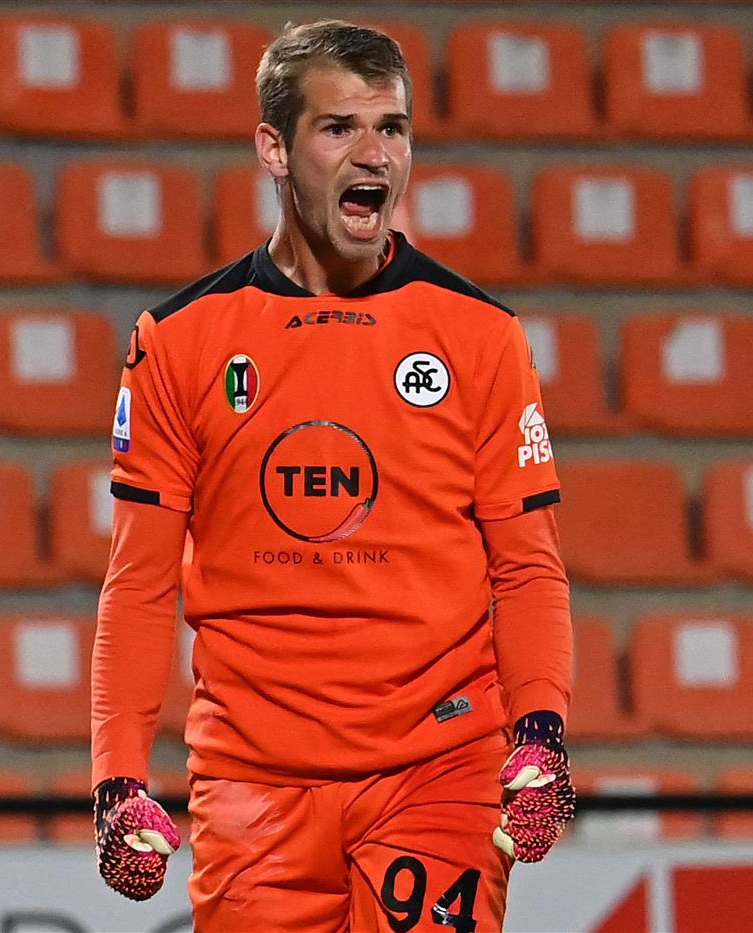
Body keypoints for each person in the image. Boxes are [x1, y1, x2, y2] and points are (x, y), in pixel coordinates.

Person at [90, 21, 575, 932]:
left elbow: (528, 565)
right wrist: (117, 777)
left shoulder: (481, 336)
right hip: (250, 788)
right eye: (340, 128)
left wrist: (541, 732)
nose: (375, 155)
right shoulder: (179, 341)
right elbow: (140, 583)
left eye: (392, 128)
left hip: (439, 771)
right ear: (274, 147)